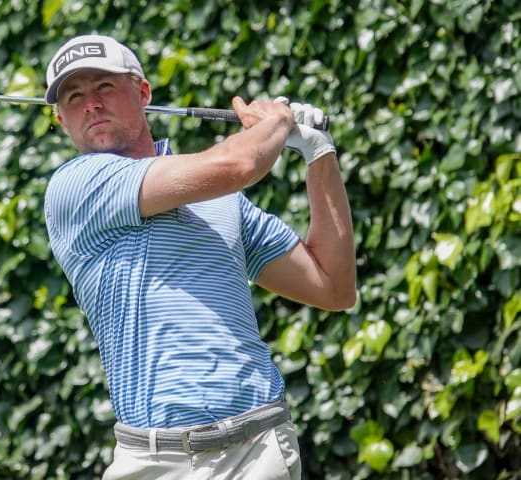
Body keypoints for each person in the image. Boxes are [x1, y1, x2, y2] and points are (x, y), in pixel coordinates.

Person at [42, 34, 356, 479]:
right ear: (60, 118)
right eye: (74, 96)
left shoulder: (222, 202)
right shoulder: (77, 186)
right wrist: (279, 121)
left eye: (105, 87)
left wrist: (319, 153)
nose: (91, 104)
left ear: (143, 92)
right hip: (154, 461)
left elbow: (333, 287)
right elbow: (238, 166)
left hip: (257, 449)